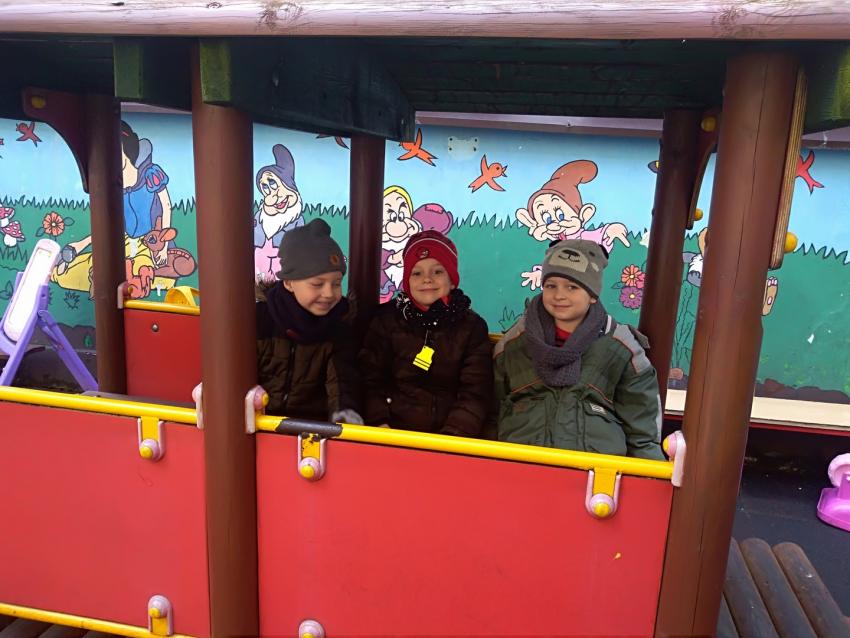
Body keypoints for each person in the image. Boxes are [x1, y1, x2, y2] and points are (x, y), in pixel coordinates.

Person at [494, 239, 664, 459]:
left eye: (572, 287)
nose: (559, 295)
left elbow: (642, 431)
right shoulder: (514, 344)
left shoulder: (621, 348)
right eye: (551, 286)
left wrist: (650, 472)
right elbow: (494, 409)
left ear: (592, 295)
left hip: (595, 469)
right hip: (523, 464)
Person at [359, 230, 492, 436]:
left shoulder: (472, 327)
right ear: (407, 281)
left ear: (452, 280)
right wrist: (379, 423)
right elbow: (369, 380)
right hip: (392, 433)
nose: (427, 279)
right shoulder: (387, 320)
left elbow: (475, 392)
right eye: (417, 273)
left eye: (437, 272)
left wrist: (452, 437)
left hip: (451, 437)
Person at [256, 218, 362, 424]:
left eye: (336, 283)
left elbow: (342, 381)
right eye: (317, 284)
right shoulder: (260, 319)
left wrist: (344, 413)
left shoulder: (338, 327)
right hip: (259, 423)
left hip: (312, 429)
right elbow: (235, 372)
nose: (329, 293)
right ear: (288, 283)